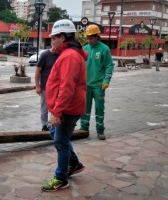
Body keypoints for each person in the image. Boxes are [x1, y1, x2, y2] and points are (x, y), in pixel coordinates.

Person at [41, 19, 88, 192]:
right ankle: (74, 164)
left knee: (60, 141)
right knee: (56, 134)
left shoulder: (69, 56)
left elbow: (67, 88)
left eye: (54, 38)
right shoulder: (70, 54)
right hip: (67, 107)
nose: (51, 41)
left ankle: (60, 178)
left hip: (67, 109)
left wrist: (57, 112)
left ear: (62, 37)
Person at [79, 24, 114, 140]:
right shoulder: (85, 49)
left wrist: (106, 80)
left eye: (91, 38)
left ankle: (100, 130)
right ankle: (84, 129)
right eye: (87, 38)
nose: (89, 40)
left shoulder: (104, 49)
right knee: (84, 108)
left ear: (97, 36)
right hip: (86, 84)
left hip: (99, 85)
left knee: (99, 108)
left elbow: (109, 65)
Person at [34, 46, 59, 131]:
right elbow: (37, 71)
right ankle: (44, 124)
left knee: (56, 107)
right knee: (44, 107)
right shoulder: (45, 55)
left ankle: (54, 124)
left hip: (57, 87)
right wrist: (37, 86)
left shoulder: (61, 55)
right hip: (45, 87)